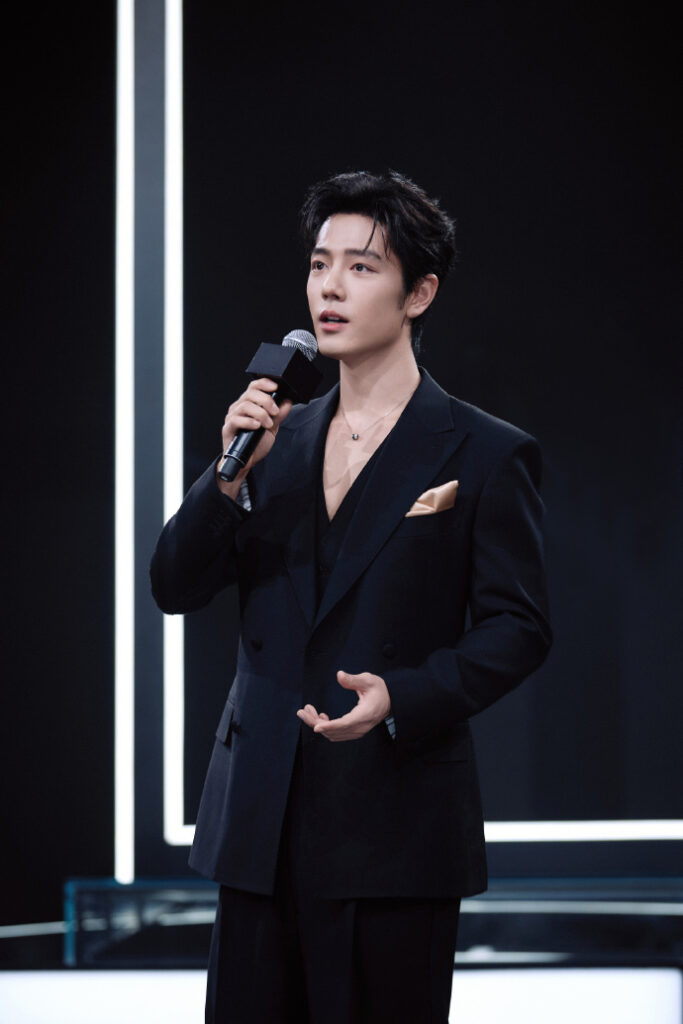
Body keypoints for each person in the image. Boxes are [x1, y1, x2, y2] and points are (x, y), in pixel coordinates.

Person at [150, 170, 552, 1023]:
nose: (329, 287)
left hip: (394, 823)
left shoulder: (484, 451)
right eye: (319, 263)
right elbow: (173, 586)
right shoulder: (273, 439)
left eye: (361, 267)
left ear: (419, 293)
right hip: (258, 822)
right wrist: (225, 478)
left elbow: (518, 626)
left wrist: (403, 696)